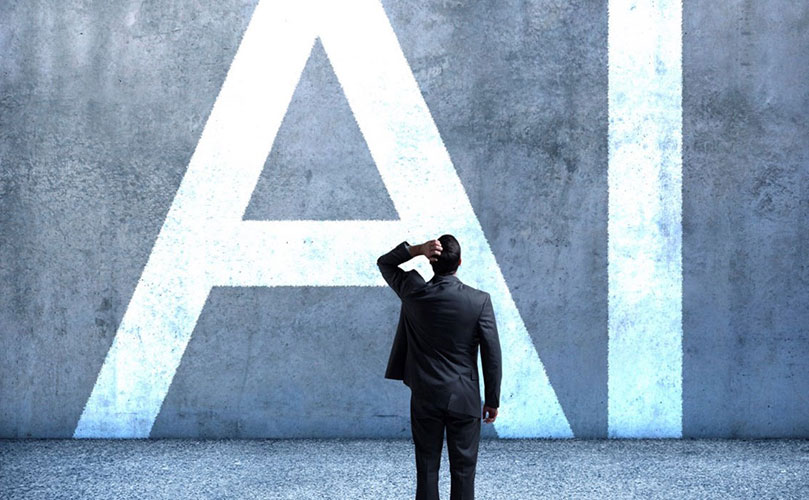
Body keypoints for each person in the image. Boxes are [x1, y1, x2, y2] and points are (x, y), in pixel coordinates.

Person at [377, 235, 502, 500]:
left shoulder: (413, 292)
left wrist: (416, 250)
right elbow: (492, 354)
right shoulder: (479, 301)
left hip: (425, 396)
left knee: (426, 469)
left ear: (431, 262)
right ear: (459, 262)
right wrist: (492, 400)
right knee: (464, 472)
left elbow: (385, 264)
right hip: (464, 396)